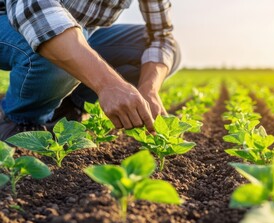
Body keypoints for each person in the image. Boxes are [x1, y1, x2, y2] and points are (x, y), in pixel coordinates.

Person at [0, 0, 180, 140]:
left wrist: (149, 89)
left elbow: (162, 37)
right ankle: (20, 121)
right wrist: (108, 84)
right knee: (52, 44)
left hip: (80, 32)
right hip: (13, 18)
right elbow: (35, 11)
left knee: (150, 51)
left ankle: (69, 107)